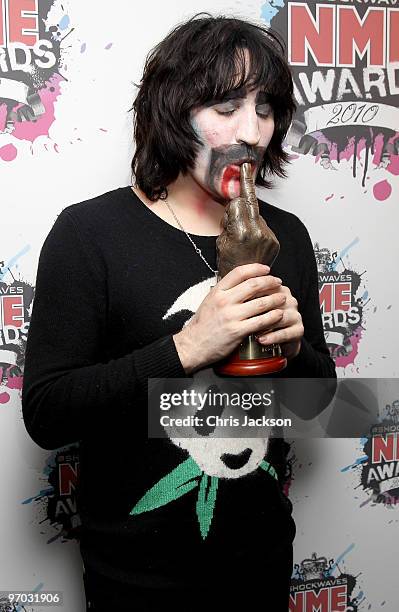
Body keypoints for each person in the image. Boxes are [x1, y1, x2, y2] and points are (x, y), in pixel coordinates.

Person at [22, 14, 336, 611]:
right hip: (135, 583)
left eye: (265, 108)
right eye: (225, 106)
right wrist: (187, 349)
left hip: (262, 571)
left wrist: (295, 354)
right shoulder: (91, 234)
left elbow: (318, 409)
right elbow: (47, 414)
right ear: (172, 110)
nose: (252, 130)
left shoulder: (285, 236)